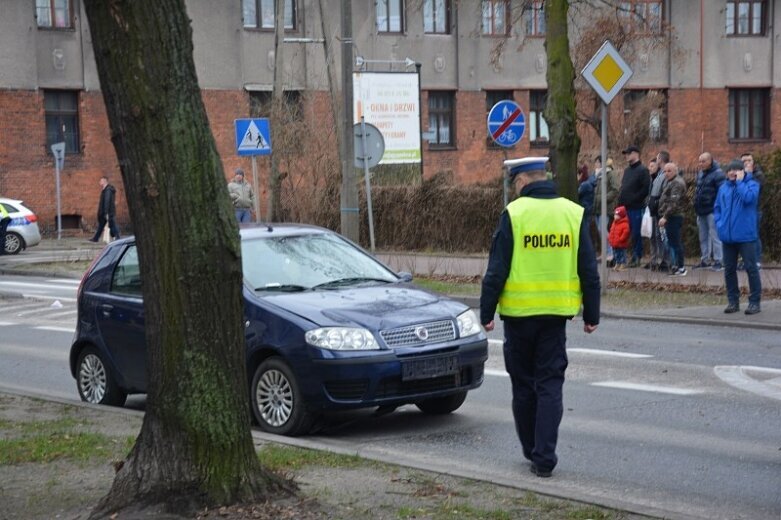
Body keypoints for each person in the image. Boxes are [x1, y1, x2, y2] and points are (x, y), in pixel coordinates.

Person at [480, 157, 600, 479]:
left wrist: (486, 311)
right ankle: (545, 457)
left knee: (523, 387)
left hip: (518, 318)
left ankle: (531, 449)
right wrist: (592, 314)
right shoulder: (572, 213)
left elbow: (497, 269)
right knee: (549, 385)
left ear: (521, 181)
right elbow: (589, 269)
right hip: (555, 318)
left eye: (513, 184)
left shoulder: (514, 214)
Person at [714, 160, 761, 315]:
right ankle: (733, 301)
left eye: (735, 170)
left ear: (742, 171)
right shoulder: (723, 188)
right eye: (729, 170)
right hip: (727, 237)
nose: (732, 173)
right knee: (729, 270)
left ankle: (754, 302)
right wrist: (719, 222)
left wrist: (740, 182)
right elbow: (718, 207)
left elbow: (749, 199)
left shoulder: (752, 185)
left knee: (751, 268)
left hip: (746, 236)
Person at [617, 145, 650, 267]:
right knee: (625, 233)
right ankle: (626, 256)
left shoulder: (643, 170)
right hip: (625, 208)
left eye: (628, 153)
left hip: (636, 207)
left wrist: (634, 199)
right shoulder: (627, 171)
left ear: (636, 154)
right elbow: (624, 187)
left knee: (636, 233)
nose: (626, 155)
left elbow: (645, 189)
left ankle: (637, 257)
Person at [693, 153, 725, 270]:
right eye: (700, 161)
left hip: (712, 210)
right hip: (701, 210)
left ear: (710, 161)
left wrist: (717, 209)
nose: (701, 164)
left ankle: (718, 260)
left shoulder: (718, 174)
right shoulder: (701, 174)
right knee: (703, 236)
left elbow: (721, 194)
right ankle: (705, 259)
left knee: (715, 236)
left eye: (703, 161)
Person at [658, 162, 687, 276]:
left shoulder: (677, 183)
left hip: (674, 216)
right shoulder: (670, 181)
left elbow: (674, 203)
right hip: (670, 216)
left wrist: (665, 216)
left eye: (669, 171)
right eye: (665, 171)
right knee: (671, 242)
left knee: (675, 243)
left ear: (675, 171)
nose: (666, 173)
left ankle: (681, 267)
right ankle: (675, 266)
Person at [592, 156, 619, 265]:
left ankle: (610, 253)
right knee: (600, 231)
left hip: (606, 207)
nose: (595, 165)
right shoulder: (597, 175)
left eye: (597, 162)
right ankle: (605, 253)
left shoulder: (610, 173)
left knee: (603, 230)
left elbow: (615, 189)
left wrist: (604, 199)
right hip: (597, 208)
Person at [646, 151, 670, 271]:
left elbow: (665, 192)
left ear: (660, 159)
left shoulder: (665, 173)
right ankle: (659, 260)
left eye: (657, 158)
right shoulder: (659, 173)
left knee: (662, 236)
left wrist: (660, 205)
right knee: (656, 235)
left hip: (661, 209)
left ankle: (665, 261)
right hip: (655, 209)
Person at [741, 152, 764, 270]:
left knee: (754, 235)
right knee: (745, 237)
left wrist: (748, 175)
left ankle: (757, 261)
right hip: (742, 211)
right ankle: (746, 260)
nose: (746, 163)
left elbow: (753, 192)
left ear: (753, 162)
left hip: (755, 210)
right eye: (744, 161)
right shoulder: (740, 175)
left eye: (749, 160)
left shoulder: (758, 175)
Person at [89, 176, 120, 243]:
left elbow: (107, 201)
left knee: (113, 225)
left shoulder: (108, 190)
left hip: (108, 212)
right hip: (106, 212)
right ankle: (95, 238)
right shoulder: (105, 190)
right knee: (101, 226)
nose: (99, 182)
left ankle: (118, 238)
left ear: (105, 181)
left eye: (101, 181)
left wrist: (106, 212)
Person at [608, 206, 630, 271]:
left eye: (617, 215)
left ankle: (623, 265)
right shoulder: (614, 223)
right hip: (614, 243)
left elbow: (626, 232)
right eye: (615, 215)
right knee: (616, 255)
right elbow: (611, 231)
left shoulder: (625, 224)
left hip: (621, 244)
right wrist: (610, 239)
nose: (615, 216)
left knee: (622, 254)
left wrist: (621, 239)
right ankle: (617, 264)